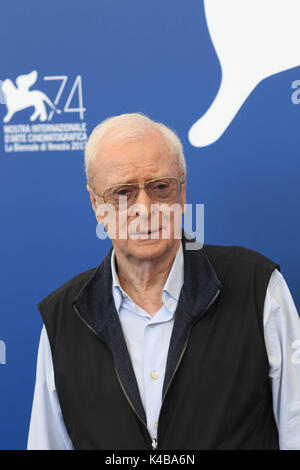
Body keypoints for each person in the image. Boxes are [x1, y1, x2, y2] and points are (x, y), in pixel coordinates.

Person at [27, 113, 300, 450]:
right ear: (96, 204)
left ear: (182, 191)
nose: (145, 208)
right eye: (123, 192)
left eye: (160, 187)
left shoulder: (258, 289)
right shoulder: (63, 320)